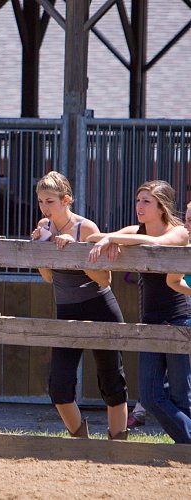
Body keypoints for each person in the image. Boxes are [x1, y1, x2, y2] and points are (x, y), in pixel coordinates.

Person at [87, 180, 191, 444]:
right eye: (138, 200)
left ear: (162, 207)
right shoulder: (135, 230)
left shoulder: (179, 232)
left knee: (181, 397)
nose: (139, 206)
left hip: (180, 320)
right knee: (150, 396)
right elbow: (92, 238)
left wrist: (115, 238)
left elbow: (157, 243)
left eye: (146, 201)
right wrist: (110, 240)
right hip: (150, 321)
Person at [31, 171, 128, 439]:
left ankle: (117, 444)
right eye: (40, 201)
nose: (44, 208)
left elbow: (105, 279)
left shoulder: (85, 228)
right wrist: (42, 248)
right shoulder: (45, 226)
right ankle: (80, 440)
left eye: (50, 201)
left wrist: (76, 252)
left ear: (66, 200)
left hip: (99, 306)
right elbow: (49, 277)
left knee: (111, 379)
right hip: (67, 309)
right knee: (59, 386)